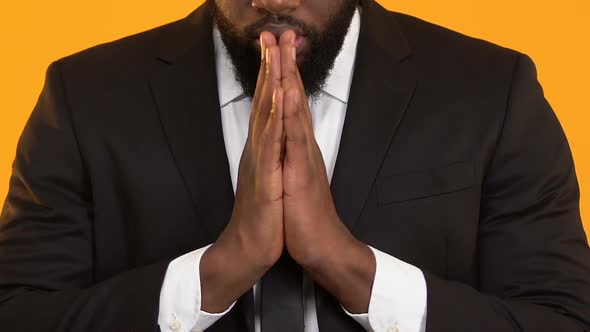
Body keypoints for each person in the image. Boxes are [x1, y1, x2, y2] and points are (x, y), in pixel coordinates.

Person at [0, 0, 589, 331]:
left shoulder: (492, 90)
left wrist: (348, 265)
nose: (274, 0)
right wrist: (217, 272)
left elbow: (563, 320)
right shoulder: (84, 96)